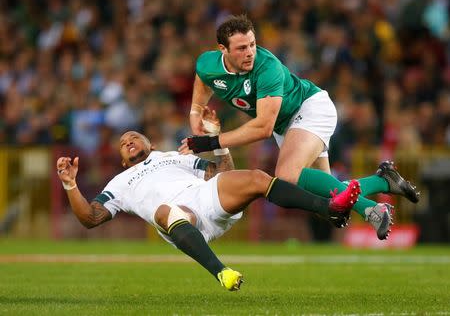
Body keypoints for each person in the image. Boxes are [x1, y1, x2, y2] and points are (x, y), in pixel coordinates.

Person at [178, 14, 420, 239]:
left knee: (286, 175)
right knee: (329, 198)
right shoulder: (207, 63)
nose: (250, 52)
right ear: (223, 50)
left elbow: (263, 127)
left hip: (309, 108)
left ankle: (372, 210)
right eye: (242, 48)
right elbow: (203, 79)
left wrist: (211, 142)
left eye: (252, 44)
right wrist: (195, 111)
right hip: (287, 127)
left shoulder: (267, 67)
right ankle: (384, 181)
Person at [56, 128, 362, 291]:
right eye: (124, 143)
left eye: (135, 136)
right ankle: (222, 273)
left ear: (149, 141)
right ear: (122, 159)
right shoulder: (120, 182)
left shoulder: (175, 157)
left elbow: (222, 174)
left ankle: (331, 208)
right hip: (180, 217)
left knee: (256, 177)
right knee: (164, 211)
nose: (130, 140)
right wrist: (71, 184)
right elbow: (91, 218)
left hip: (206, 196)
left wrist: (220, 144)